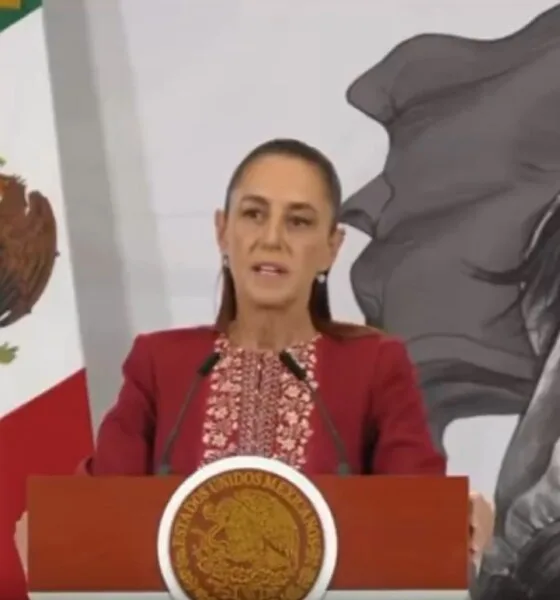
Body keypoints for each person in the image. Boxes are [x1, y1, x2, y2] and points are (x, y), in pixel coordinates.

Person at [15, 139, 494, 572]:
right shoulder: (160, 363)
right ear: (222, 231)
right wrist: (50, 530)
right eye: (253, 214)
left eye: (299, 221)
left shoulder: (374, 365)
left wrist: (459, 516)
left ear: (332, 247)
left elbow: (415, 507)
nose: (272, 239)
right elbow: (99, 504)